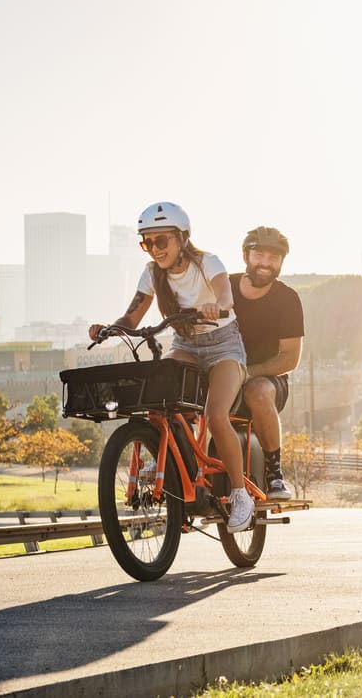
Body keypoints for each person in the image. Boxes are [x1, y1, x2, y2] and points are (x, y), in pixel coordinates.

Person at [88, 202, 255, 532]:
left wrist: (215, 306)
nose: (154, 249)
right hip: (185, 346)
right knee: (155, 391)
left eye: (160, 241)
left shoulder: (208, 262)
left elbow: (226, 296)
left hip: (223, 345)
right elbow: (133, 315)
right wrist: (110, 328)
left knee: (215, 414)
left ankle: (240, 495)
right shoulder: (152, 273)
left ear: (182, 238)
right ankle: (161, 455)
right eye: (146, 242)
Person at [230, 226, 305, 500]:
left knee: (257, 391)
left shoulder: (287, 299)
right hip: (222, 373)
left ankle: (275, 475)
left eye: (274, 258)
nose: (265, 263)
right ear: (245, 256)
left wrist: (248, 373)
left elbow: (290, 358)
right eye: (259, 255)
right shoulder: (224, 287)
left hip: (268, 380)